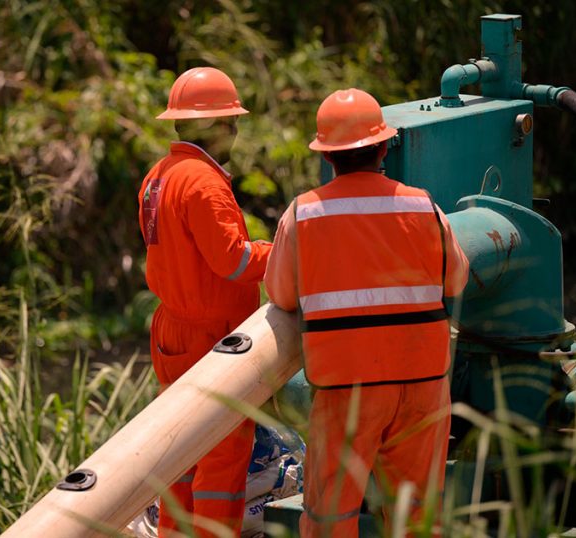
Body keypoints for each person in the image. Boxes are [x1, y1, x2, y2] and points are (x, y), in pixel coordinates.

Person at [264, 88, 469, 537]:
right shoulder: (423, 206)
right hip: (422, 383)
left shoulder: (303, 214)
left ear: (328, 157)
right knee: (418, 517)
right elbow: (456, 280)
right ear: (383, 147)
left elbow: (279, 294)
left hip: (346, 387)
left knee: (330, 518)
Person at [138, 66, 273, 537]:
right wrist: (282, 252)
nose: (236, 131)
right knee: (223, 454)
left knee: (179, 450)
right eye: (232, 122)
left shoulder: (159, 176)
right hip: (212, 338)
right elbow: (233, 262)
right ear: (215, 125)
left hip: (172, 330)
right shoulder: (203, 182)